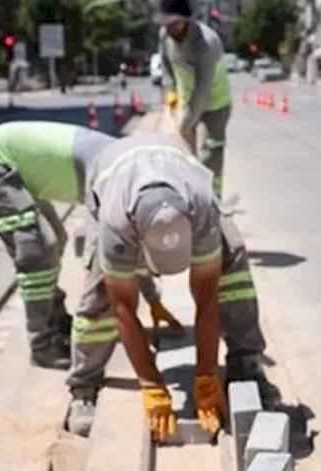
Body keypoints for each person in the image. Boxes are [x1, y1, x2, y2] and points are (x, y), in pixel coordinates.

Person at [65, 133, 278, 437]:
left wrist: (206, 376)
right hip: (116, 177)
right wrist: (151, 384)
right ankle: (83, 386)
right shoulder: (115, 221)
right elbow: (124, 309)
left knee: (232, 260)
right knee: (101, 294)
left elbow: (206, 299)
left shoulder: (201, 207)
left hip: (177, 172)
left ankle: (246, 363)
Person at [0, 121, 182, 370]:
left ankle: (55, 320)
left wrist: (153, 300)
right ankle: (42, 345)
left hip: (6, 164)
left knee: (56, 239)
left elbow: (132, 247)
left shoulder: (132, 176)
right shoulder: (116, 183)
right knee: (38, 251)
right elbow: (106, 252)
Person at [157, 0, 232, 197]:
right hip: (187, 99)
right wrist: (172, 98)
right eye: (167, 23)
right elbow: (167, 69)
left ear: (187, 20)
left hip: (215, 103)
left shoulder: (206, 43)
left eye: (176, 23)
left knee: (210, 154)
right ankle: (191, 196)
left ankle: (212, 200)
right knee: (185, 154)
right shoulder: (165, 35)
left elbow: (202, 91)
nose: (171, 28)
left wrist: (184, 123)